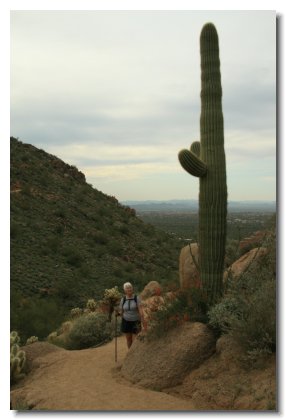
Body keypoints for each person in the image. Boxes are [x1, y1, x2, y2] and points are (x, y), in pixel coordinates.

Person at [116, 282, 146, 349]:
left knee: (135, 340)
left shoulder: (136, 298)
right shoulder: (123, 299)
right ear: (125, 290)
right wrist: (117, 313)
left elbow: (140, 310)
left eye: (130, 287)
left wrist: (143, 321)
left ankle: (134, 355)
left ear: (132, 289)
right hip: (126, 321)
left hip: (135, 321)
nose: (129, 289)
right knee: (128, 340)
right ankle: (129, 356)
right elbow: (121, 312)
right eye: (127, 288)